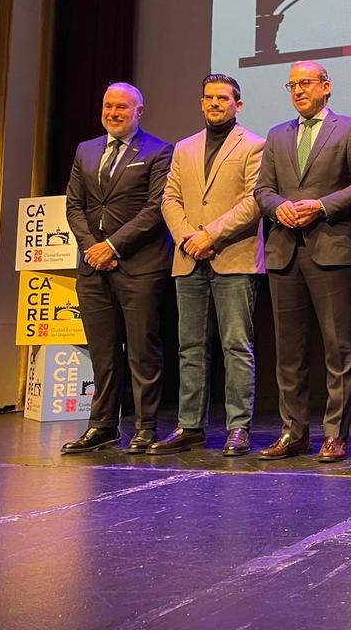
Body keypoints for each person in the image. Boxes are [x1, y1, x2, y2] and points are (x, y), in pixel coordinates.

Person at [253, 61, 351, 463]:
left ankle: (335, 434)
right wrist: (278, 208)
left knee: (339, 346)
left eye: (306, 83)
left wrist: (321, 206)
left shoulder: (350, 128)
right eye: (292, 84)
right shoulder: (277, 135)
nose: (298, 90)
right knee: (288, 350)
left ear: (326, 86)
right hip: (285, 250)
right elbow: (262, 189)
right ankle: (293, 432)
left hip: (331, 249)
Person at [150, 74, 264, 457]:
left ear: (238, 104)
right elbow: (169, 199)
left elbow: (253, 202)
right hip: (188, 257)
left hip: (232, 255)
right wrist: (186, 237)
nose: (215, 103)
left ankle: (238, 427)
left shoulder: (253, 145)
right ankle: (190, 426)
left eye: (223, 98)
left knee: (236, 346)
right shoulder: (183, 148)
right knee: (191, 347)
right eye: (209, 98)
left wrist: (210, 235)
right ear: (201, 103)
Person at [62, 83, 173, 454]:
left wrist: (112, 246)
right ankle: (102, 426)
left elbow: (155, 210)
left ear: (138, 112)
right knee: (103, 352)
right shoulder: (85, 149)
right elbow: (74, 205)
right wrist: (92, 248)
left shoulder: (159, 151)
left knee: (143, 350)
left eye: (121, 107)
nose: (113, 113)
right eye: (108, 106)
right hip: (93, 267)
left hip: (139, 265)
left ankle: (146, 428)